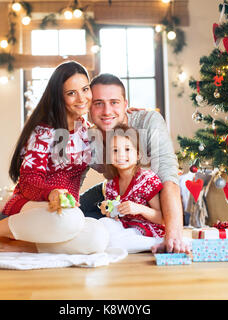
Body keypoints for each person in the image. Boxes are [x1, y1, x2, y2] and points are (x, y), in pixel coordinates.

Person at [0, 61, 108, 254]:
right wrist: (52, 193)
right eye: (71, 93)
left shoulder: (87, 130)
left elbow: (116, 157)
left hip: (63, 212)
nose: (81, 98)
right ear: (60, 97)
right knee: (71, 220)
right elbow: (29, 181)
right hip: (33, 205)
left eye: (85, 89)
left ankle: (9, 245)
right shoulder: (44, 130)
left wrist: (123, 117)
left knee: (98, 238)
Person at [81, 73, 190, 254]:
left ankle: (161, 231)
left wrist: (173, 237)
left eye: (114, 102)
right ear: (89, 108)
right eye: (98, 103)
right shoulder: (87, 138)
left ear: (126, 105)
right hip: (117, 194)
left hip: (151, 200)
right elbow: (71, 178)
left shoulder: (147, 122)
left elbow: (168, 176)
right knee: (79, 219)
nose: (107, 111)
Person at [99, 124, 165, 238]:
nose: (121, 154)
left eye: (127, 149)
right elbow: (113, 217)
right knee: (103, 225)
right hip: (125, 228)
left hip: (148, 230)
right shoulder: (110, 185)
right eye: (115, 150)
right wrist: (108, 211)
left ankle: (154, 244)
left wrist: (140, 209)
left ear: (138, 154)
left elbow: (162, 218)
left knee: (119, 238)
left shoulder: (147, 180)